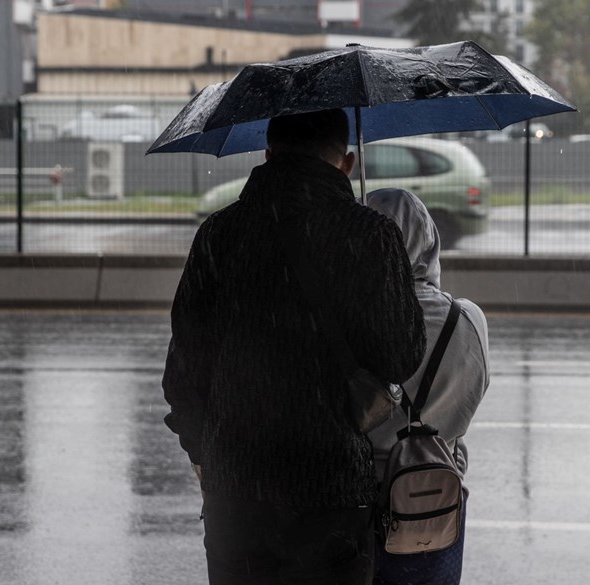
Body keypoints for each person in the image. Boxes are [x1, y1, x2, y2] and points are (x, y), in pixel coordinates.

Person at [161, 109, 426, 585]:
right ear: (346, 163)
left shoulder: (219, 235)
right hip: (333, 489)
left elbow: (183, 370)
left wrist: (203, 452)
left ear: (267, 154)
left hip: (237, 492)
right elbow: (402, 354)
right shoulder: (370, 235)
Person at [366, 188, 490, 585]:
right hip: (438, 498)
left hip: (363, 500)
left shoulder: (351, 322)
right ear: (430, 238)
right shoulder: (467, 319)